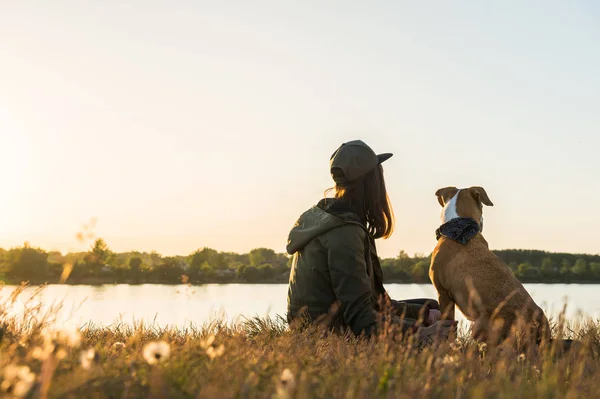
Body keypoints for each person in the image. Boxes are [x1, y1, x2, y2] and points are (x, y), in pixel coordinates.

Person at [285, 140, 456, 342]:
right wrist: (422, 334)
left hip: (327, 324)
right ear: (371, 183)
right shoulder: (344, 232)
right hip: (328, 335)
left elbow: (374, 302)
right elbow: (361, 319)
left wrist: (424, 315)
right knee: (434, 331)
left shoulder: (337, 219)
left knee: (430, 307)